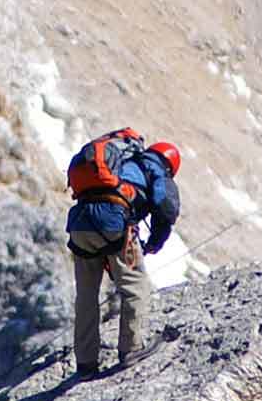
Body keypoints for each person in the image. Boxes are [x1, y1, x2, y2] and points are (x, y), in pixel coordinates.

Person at [64, 130, 182, 375]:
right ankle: (131, 349)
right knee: (135, 287)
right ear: (170, 165)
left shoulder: (122, 162)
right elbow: (166, 207)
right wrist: (155, 242)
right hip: (113, 222)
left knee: (86, 295)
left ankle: (86, 363)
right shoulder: (157, 168)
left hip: (80, 223)